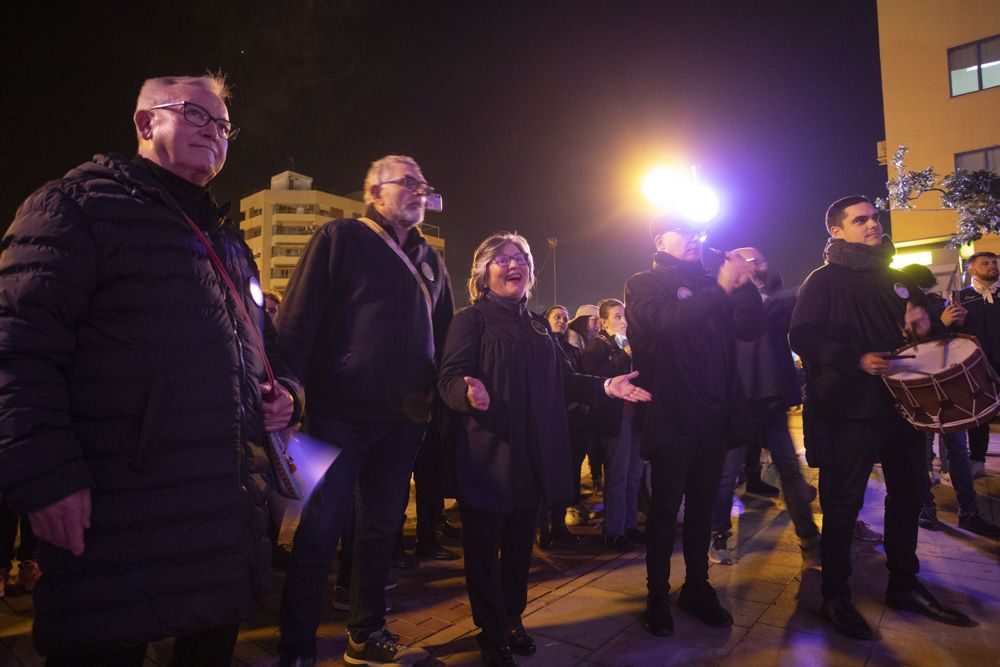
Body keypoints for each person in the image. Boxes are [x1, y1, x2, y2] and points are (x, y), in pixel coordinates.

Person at [0, 73, 303, 664]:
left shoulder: (229, 243)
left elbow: (267, 349)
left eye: (222, 125)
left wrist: (286, 393)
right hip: (117, 517)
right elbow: (18, 349)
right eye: (195, 114)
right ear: (145, 123)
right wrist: (46, 478)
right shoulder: (74, 207)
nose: (213, 132)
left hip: (216, 515)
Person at [438, 233, 650, 667]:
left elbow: (565, 380)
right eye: (502, 259)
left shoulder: (537, 324)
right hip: (488, 456)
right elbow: (447, 378)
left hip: (533, 457)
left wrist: (607, 386)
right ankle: (490, 628)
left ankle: (512, 619)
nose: (514, 264)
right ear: (482, 272)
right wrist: (465, 389)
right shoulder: (470, 320)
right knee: (483, 552)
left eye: (521, 258)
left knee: (519, 548)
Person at [276, 155, 454, 667]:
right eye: (408, 183)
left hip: (405, 421)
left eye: (424, 183)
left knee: (380, 530)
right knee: (318, 531)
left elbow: (444, 338)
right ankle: (296, 649)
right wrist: (292, 394)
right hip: (334, 414)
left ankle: (366, 632)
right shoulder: (339, 238)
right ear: (374, 193)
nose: (420, 191)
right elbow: (297, 321)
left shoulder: (431, 259)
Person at [789, 195, 973, 640]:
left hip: (903, 407)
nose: (873, 224)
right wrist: (856, 359)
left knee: (908, 495)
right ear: (837, 230)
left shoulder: (896, 279)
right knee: (842, 505)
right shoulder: (823, 281)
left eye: (874, 217)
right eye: (860, 220)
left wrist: (925, 330)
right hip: (849, 411)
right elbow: (802, 336)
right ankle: (835, 594)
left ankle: (904, 584)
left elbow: (913, 336)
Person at [624, 215, 763, 637]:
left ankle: (697, 587)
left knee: (703, 508)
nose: (693, 240)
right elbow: (665, 322)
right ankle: (655, 596)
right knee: (666, 510)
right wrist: (721, 287)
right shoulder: (644, 283)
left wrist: (743, 284)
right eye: (682, 232)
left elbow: (749, 327)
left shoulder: (710, 280)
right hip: (671, 413)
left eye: (697, 232)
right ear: (658, 239)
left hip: (715, 414)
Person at [708, 248, 821, 567]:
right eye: (747, 259)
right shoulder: (724, 298)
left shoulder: (776, 297)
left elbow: (798, 295)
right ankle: (719, 534)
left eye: (759, 258)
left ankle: (809, 539)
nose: (757, 263)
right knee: (726, 475)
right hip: (737, 400)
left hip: (770, 400)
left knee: (789, 469)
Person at [896, 264, 1000, 537]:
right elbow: (913, 345)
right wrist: (942, 323)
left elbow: (951, 339)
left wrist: (961, 320)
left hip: (939, 384)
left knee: (951, 451)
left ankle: (959, 511)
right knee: (933, 453)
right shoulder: (903, 305)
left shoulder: (933, 302)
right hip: (923, 386)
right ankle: (936, 510)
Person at [582, 299, 644, 550]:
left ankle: (630, 526)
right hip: (614, 419)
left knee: (633, 475)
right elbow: (596, 379)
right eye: (617, 317)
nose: (623, 321)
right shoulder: (596, 347)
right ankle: (614, 531)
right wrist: (623, 356)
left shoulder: (633, 345)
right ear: (603, 322)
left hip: (636, 416)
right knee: (617, 477)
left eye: (624, 316)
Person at [956, 251, 1000, 478]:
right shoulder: (960, 297)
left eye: (995, 262)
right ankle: (977, 459)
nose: (993, 266)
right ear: (972, 269)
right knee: (979, 415)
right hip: (976, 367)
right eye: (986, 263)